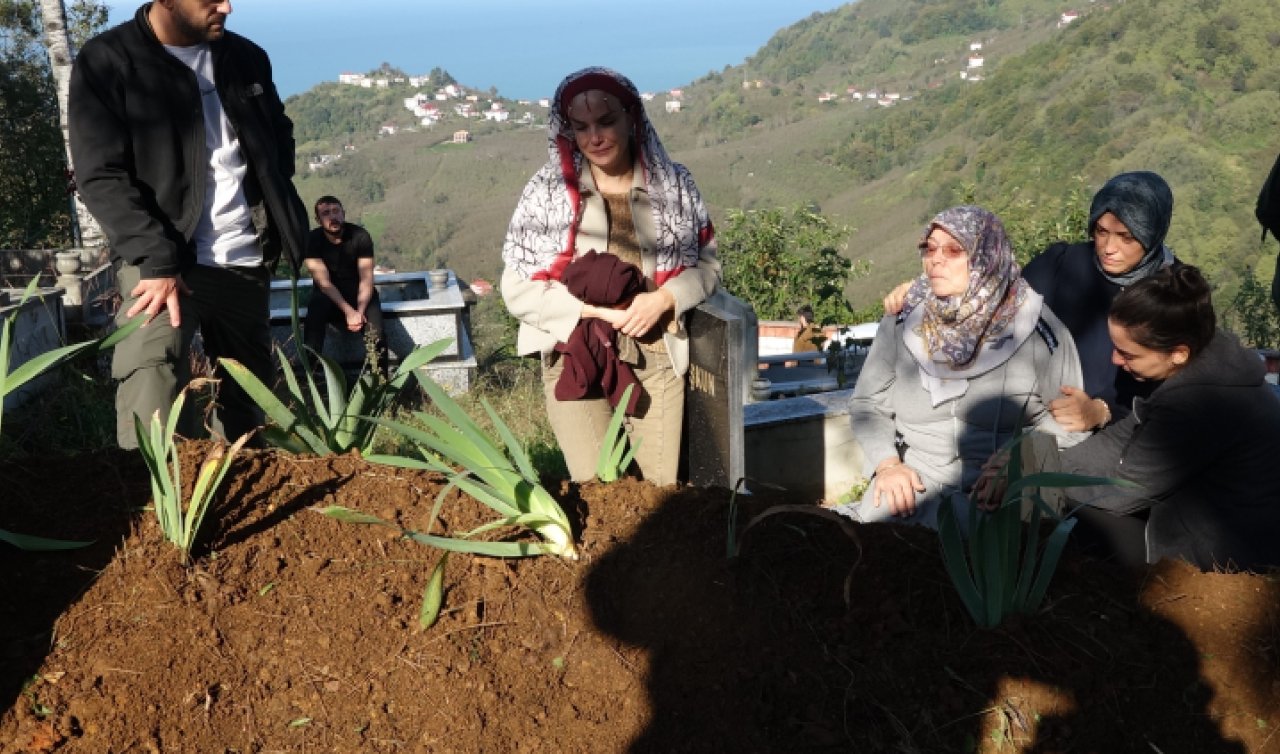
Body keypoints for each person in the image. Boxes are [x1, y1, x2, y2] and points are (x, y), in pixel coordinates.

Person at [69, 0, 308, 448]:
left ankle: (235, 486)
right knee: (152, 392)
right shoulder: (109, 59)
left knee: (247, 410)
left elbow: (279, 135)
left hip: (245, 260)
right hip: (161, 266)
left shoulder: (246, 57)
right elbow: (100, 174)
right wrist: (157, 259)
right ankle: (158, 492)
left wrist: (273, 209)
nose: (227, 7)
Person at [501, 67, 720, 486]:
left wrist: (665, 299)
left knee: (657, 491)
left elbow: (708, 266)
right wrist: (595, 312)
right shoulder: (547, 194)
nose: (595, 137)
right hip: (576, 354)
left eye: (605, 122)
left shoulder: (674, 186)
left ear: (630, 118)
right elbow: (516, 289)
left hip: (656, 353)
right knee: (598, 488)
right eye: (581, 127)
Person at [837, 206, 1087, 528]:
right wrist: (887, 466)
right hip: (912, 487)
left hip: (996, 494)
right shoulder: (903, 320)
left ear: (987, 256)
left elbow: (1071, 424)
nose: (935, 259)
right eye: (929, 249)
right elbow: (867, 403)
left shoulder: (1038, 330)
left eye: (954, 250)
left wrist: (1021, 460)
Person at [883, 172, 1177, 432]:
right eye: (1101, 231)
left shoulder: (1174, 292)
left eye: (1126, 237)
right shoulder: (1063, 263)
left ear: (1152, 236)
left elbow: (1175, 383)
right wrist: (926, 289)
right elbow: (998, 295)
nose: (1109, 247)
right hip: (1043, 419)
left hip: (1121, 436)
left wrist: (1103, 410)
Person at [1060, 266, 1280, 571]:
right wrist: (1043, 464)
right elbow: (1120, 438)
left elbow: (1121, 493)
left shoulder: (1197, 404)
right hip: (1190, 522)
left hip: (1216, 557)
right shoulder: (1206, 363)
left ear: (1178, 353)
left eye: (1128, 354)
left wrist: (1037, 484)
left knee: (1056, 520)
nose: (1115, 360)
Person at [303, 195, 387, 373]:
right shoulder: (311, 240)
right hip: (327, 295)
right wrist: (349, 312)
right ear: (318, 220)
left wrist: (359, 312)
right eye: (326, 213)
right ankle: (310, 378)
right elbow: (324, 283)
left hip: (360, 293)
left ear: (343, 213)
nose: (332, 216)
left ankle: (380, 381)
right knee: (313, 326)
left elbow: (366, 279)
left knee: (377, 335)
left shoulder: (360, 236)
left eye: (336, 211)